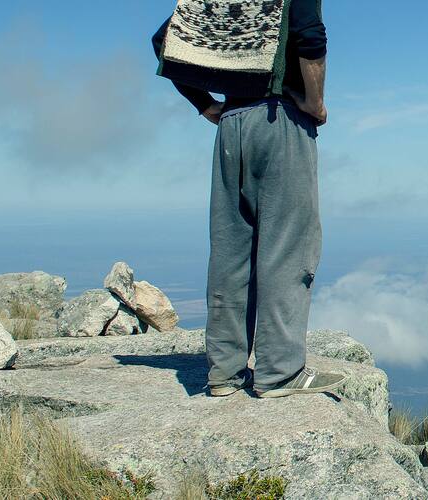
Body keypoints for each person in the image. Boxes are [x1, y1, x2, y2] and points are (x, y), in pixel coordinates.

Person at [151, 0, 346, 398]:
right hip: (281, 120)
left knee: (230, 250)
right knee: (288, 249)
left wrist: (205, 104)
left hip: (232, 125)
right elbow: (310, 35)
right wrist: (315, 102)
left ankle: (224, 373)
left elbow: (162, 41)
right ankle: (280, 373)